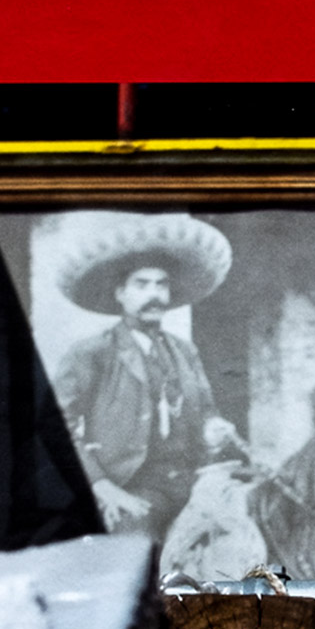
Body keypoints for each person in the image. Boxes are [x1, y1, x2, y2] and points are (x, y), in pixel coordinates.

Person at [50, 213, 241, 539]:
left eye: (161, 284)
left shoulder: (184, 351)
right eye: (141, 284)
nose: (154, 294)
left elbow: (207, 412)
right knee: (137, 547)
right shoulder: (93, 352)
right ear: (120, 293)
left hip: (193, 480)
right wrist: (101, 485)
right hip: (131, 485)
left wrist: (213, 429)